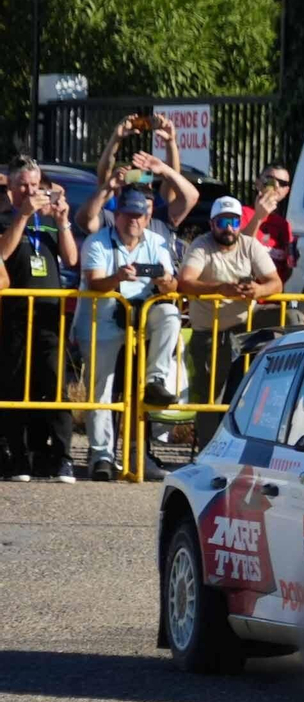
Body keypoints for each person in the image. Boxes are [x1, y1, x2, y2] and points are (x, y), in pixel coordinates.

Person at [79, 186, 182, 481]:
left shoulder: (157, 242)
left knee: (170, 314)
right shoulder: (97, 242)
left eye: (139, 215)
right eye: (127, 214)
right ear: (118, 215)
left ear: (147, 218)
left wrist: (165, 281)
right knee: (101, 389)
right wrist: (117, 277)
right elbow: (95, 282)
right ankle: (102, 456)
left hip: (142, 320)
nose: (133, 221)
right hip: (102, 320)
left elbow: (173, 286)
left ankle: (155, 380)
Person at [177, 197, 282, 446]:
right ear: (212, 224)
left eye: (234, 222)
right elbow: (185, 282)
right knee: (208, 399)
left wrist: (258, 290)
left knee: (290, 316)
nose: (229, 228)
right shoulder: (201, 245)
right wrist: (220, 289)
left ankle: (284, 367)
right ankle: (207, 452)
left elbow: (276, 282)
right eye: (223, 222)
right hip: (209, 332)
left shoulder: (250, 245)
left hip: (245, 329)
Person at [0, 157, 79, 482]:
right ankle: (18, 458)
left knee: (55, 383)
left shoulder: (46, 220)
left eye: (35, 185)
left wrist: (63, 221)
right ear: (11, 186)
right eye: (24, 185)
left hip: (48, 315)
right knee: (14, 385)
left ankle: (62, 457)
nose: (31, 191)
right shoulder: (6, 217)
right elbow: (3, 253)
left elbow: (71, 258)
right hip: (14, 315)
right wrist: (22, 214)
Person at [77, 113, 199, 238]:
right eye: (133, 178)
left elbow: (182, 191)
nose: (139, 184)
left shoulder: (159, 220)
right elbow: (104, 173)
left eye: (145, 177)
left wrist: (168, 153)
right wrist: (116, 138)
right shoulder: (113, 217)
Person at [238, 162, 298, 286]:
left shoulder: (284, 225)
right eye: (270, 180)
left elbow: (289, 268)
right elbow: (238, 250)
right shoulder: (242, 213)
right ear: (258, 183)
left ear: (286, 191)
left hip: (272, 294)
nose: (276, 186)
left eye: (282, 183)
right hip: (245, 292)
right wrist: (258, 217)